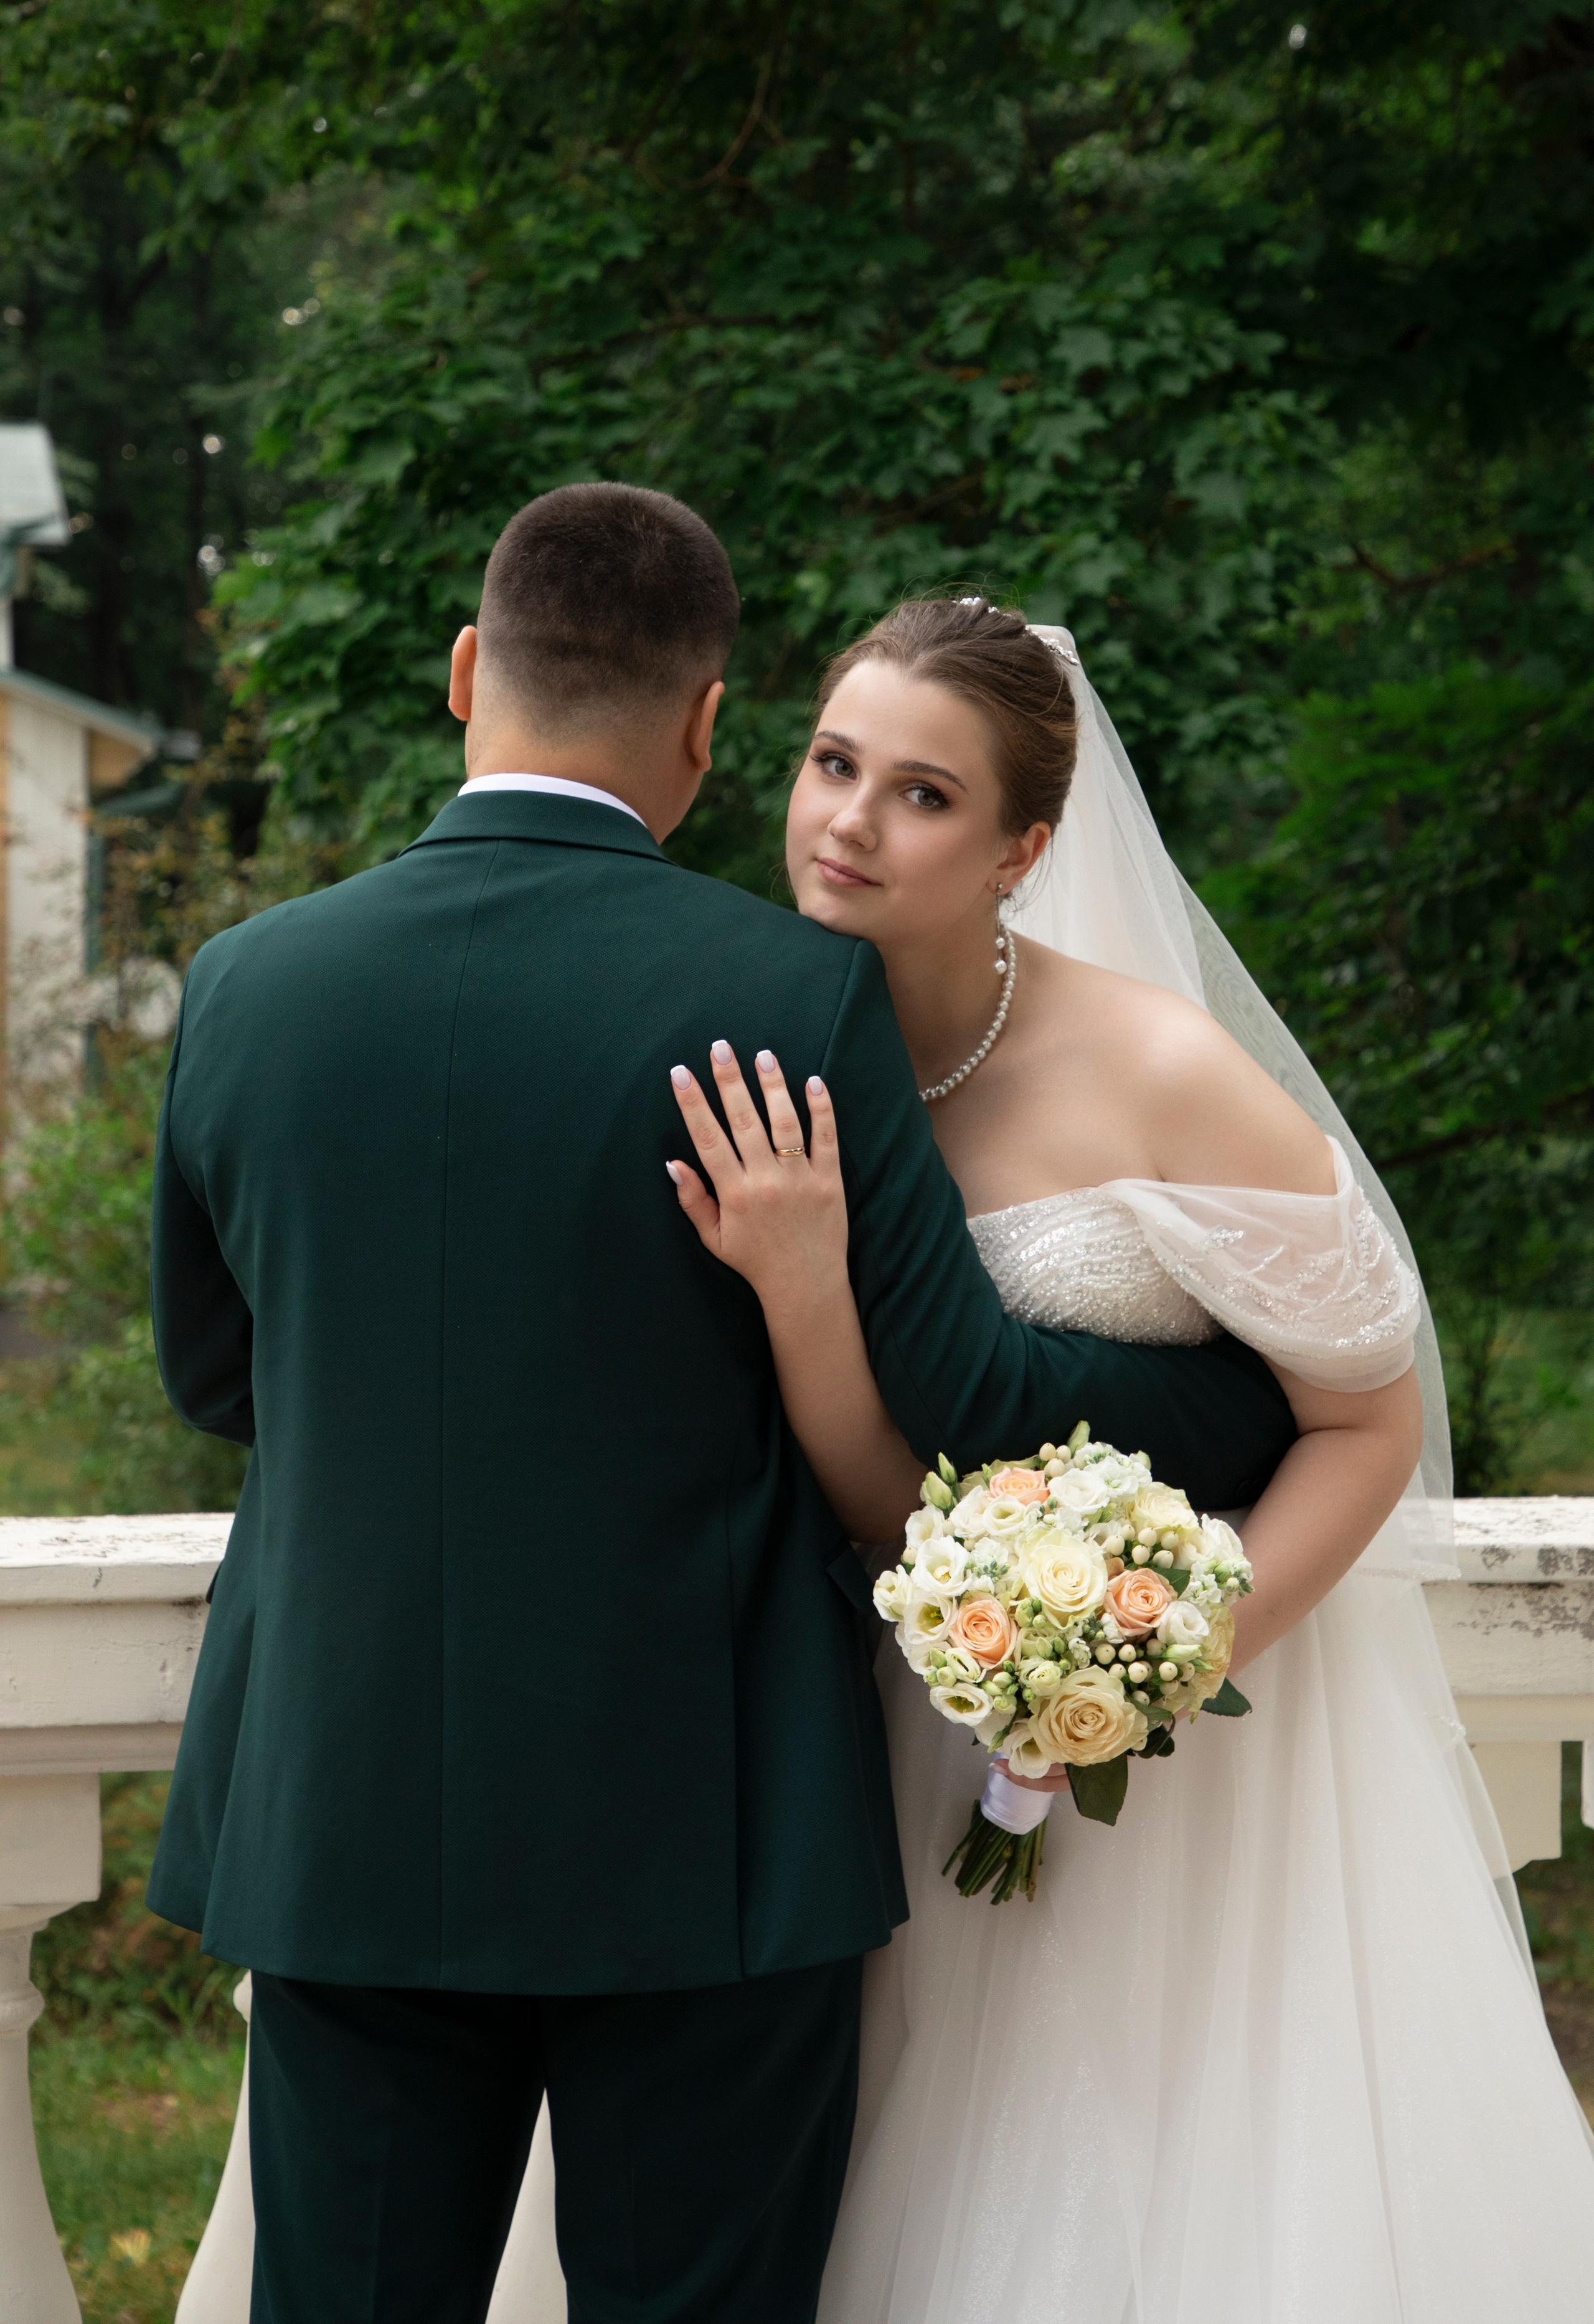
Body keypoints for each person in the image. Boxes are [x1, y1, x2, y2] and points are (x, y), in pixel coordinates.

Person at [144, 499, 1299, 2324]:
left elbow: (218, 1376)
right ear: (705, 724)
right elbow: (977, 1393)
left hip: (342, 1806)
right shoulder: (786, 997)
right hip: (708, 1843)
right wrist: (1236, 1395)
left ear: (468, 672)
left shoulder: (248, 987)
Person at [661, 597, 1594, 2323]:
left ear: (1024, 846)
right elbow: (887, 1499)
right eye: (832, 761)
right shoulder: (802, 1054)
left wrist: (1175, 1651)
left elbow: (1370, 1412)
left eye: (923, 795)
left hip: (1197, 1748)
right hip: (940, 1714)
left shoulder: (1159, 1067)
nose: (849, 820)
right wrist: (800, 1280)